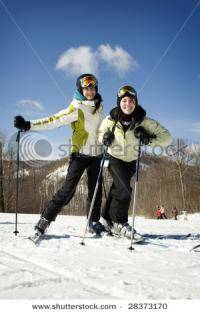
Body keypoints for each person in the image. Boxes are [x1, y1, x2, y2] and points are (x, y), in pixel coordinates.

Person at [14, 73, 106, 236]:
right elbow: (54, 120)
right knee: (68, 190)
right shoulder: (76, 107)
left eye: (92, 87)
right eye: (86, 88)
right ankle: (45, 219)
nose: (90, 91)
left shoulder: (99, 107)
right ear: (80, 89)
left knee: (95, 190)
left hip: (97, 155)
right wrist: (29, 125)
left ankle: (93, 221)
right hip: (80, 155)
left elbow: (102, 128)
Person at [98, 85, 172, 239]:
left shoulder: (144, 121)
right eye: (124, 100)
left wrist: (147, 139)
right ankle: (120, 223)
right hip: (115, 158)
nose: (128, 104)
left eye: (131, 101)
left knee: (117, 188)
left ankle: (105, 219)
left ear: (136, 103)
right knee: (124, 189)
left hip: (131, 160)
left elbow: (167, 138)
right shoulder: (110, 119)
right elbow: (100, 133)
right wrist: (105, 137)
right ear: (119, 102)